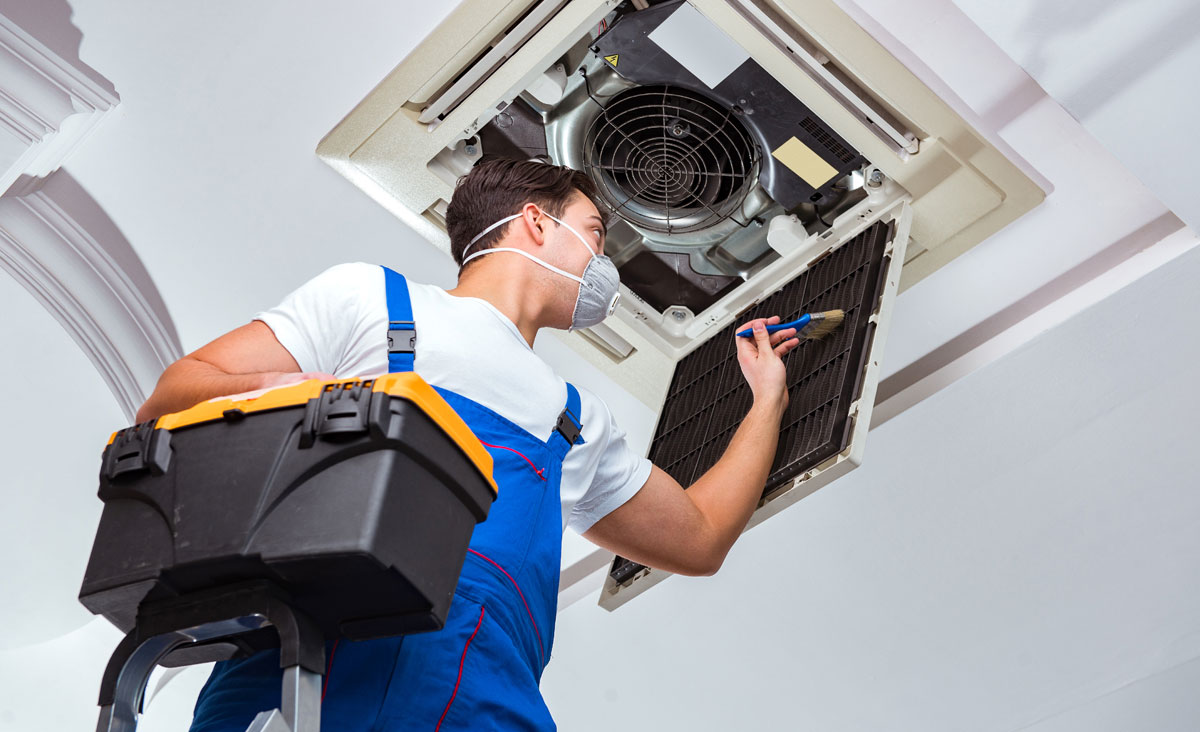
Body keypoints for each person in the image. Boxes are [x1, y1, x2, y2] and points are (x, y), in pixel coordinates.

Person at [135, 158, 803, 731]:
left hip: (482, 702)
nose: (604, 265)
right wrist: (320, 394)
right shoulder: (373, 302)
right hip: (302, 675)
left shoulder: (575, 421)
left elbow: (700, 536)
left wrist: (767, 398)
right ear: (538, 222)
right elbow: (174, 396)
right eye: (595, 235)